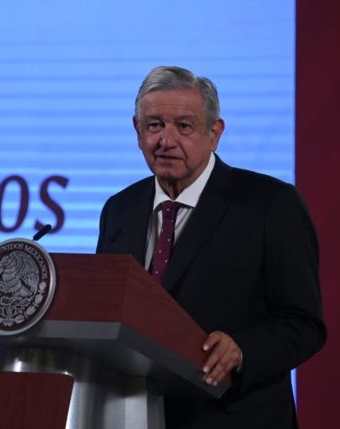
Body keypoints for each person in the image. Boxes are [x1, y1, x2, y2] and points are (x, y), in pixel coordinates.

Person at [96, 66, 326, 428]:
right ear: (137, 131)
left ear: (214, 133)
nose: (166, 140)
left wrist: (243, 350)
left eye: (184, 126)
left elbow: (304, 324)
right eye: (154, 125)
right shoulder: (119, 209)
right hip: (136, 415)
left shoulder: (271, 204)